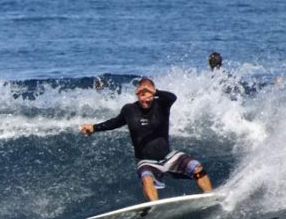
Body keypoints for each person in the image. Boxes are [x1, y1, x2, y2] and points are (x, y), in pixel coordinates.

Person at [80, 77, 213, 201]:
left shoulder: (162, 104)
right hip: (146, 161)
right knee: (147, 179)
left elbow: (172, 97)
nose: (146, 99)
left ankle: (210, 197)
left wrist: (155, 91)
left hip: (168, 157)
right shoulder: (129, 110)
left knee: (196, 168)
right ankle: (154, 208)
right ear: (137, 94)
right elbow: (114, 122)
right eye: (143, 95)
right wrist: (94, 128)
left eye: (149, 95)